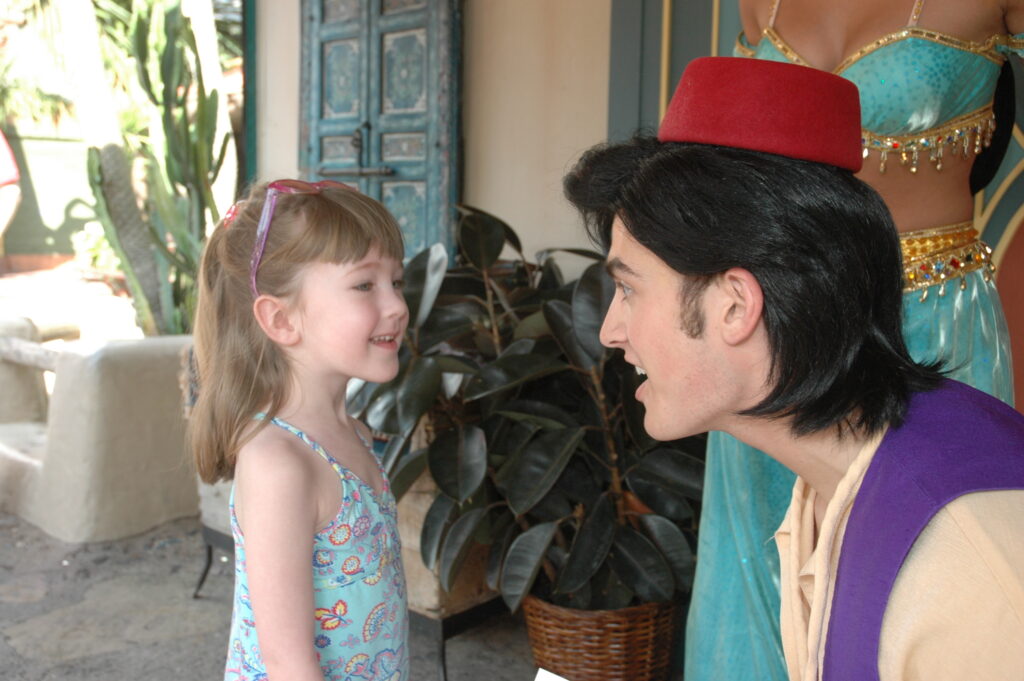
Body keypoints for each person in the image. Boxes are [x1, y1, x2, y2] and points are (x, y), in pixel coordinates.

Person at [564, 56, 1024, 681]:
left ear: (735, 305)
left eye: (629, 289)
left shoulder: (964, 562)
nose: (610, 332)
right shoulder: (830, 478)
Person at [683, 1, 1024, 677]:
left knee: (923, 572)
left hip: (929, 326)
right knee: (755, 573)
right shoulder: (763, 4)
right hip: (777, 329)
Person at [189, 179, 411, 681]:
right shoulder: (279, 463)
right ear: (281, 319)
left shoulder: (351, 432)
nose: (397, 305)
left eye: (396, 281)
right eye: (364, 285)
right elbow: (287, 664)